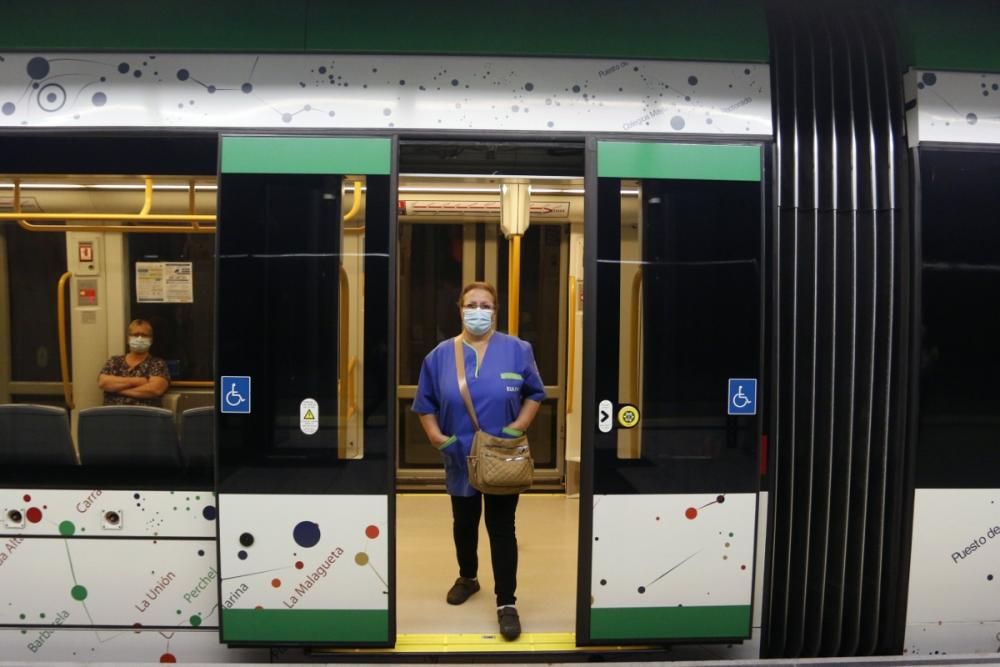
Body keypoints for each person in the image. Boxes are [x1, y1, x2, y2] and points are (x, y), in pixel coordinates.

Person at [412, 281, 545, 641]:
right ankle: (468, 576)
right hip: (460, 456)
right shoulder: (440, 355)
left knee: (502, 528)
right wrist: (438, 438)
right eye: (472, 304)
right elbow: (425, 404)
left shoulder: (518, 350)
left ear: (496, 311)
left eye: (486, 305)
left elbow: (535, 393)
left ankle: (506, 603)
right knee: (464, 521)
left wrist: (519, 427)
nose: (478, 311)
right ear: (460, 308)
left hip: (502, 457)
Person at [97, 319, 170, 407]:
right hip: (114, 416)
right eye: (135, 335)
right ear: (128, 338)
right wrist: (141, 381)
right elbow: (103, 383)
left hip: (146, 417)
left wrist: (117, 390)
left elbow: (155, 389)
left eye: (144, 335)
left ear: (151, 340)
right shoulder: (114, 361)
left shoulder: (158, 363)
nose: (140, 338)